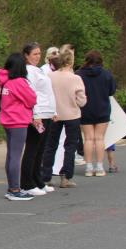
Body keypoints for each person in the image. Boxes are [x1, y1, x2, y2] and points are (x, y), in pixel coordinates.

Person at [41, 48, 85, 189]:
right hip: (72, 114)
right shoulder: (75, 78)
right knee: (70, 146)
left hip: (54, 114)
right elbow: (82, 101)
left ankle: (46, 176)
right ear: (71, 62)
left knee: (50, 145)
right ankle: (66, 177)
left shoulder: (50, 76)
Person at [0, 53, 37, 201]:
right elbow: (32, 99)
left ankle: (12, 187)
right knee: (16, 156)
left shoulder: (5, 81)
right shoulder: (19, 82)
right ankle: (15, 189)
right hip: (18, 121)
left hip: (7, 120)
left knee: (11, 155)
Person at [20, 43, 57, 196]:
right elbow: (31, 94)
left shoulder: (39, 70)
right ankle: (27, 183)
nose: (37, 56)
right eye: (34, 54)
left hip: (47, 113)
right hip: (38, 114)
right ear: (26, 55)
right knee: (32, 148)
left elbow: (48, 92)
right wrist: (35, 114)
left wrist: (54, 110)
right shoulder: (28, 71)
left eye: (39, 53)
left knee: (41, 149)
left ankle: (38, 180)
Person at [77, 50, 116, 178]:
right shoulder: (106, 74)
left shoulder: (79, 74)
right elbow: (112, 91)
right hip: (102, 108)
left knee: (88, 138)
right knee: (99, 138)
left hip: (85, 109)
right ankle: (99, 167)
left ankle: (89, 167)